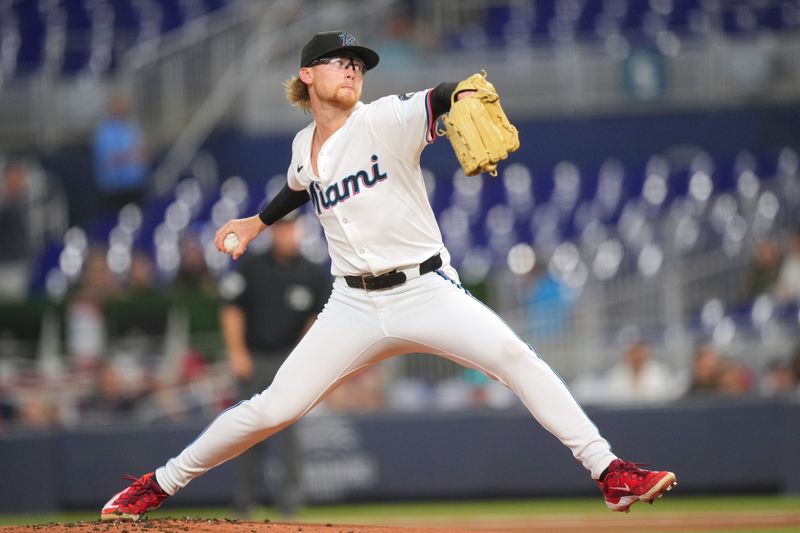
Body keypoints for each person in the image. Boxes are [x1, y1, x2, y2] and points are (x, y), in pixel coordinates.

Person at [101, 31, 676, 521]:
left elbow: (439, 98)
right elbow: (301, 183)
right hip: (350, 306)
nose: (352, 71)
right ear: (307, 75)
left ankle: (609, 470)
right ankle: (158, 484)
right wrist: (257, 221)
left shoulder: (384, 120)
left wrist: (462, 92)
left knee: (514, 358)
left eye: (358, 66)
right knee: (273, 408)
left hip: (424, 289)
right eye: (340, 62)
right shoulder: (304, 145)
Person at [218, 211, 330, 517]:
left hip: (289, 359)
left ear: (299, 231)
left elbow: (318, 318)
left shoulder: (312, 272)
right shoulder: (252, 267)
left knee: (290, 435)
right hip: (255, 359)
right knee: (247, 432)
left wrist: (304, 358)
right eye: (281, 228)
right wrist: (237, 352)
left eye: (291, 228)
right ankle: (247, 501)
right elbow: (231, 309)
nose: (286, 234)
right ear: (273, 232)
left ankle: (289, 505)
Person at [93, 93, 149, 213]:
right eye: (118, 106)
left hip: (136, 187)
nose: (122, 109)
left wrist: (133, 155)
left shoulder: (132, 127)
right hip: (115, 190)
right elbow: (110, 159)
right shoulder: (104, 131)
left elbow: (143, 151)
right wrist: (131, 155)